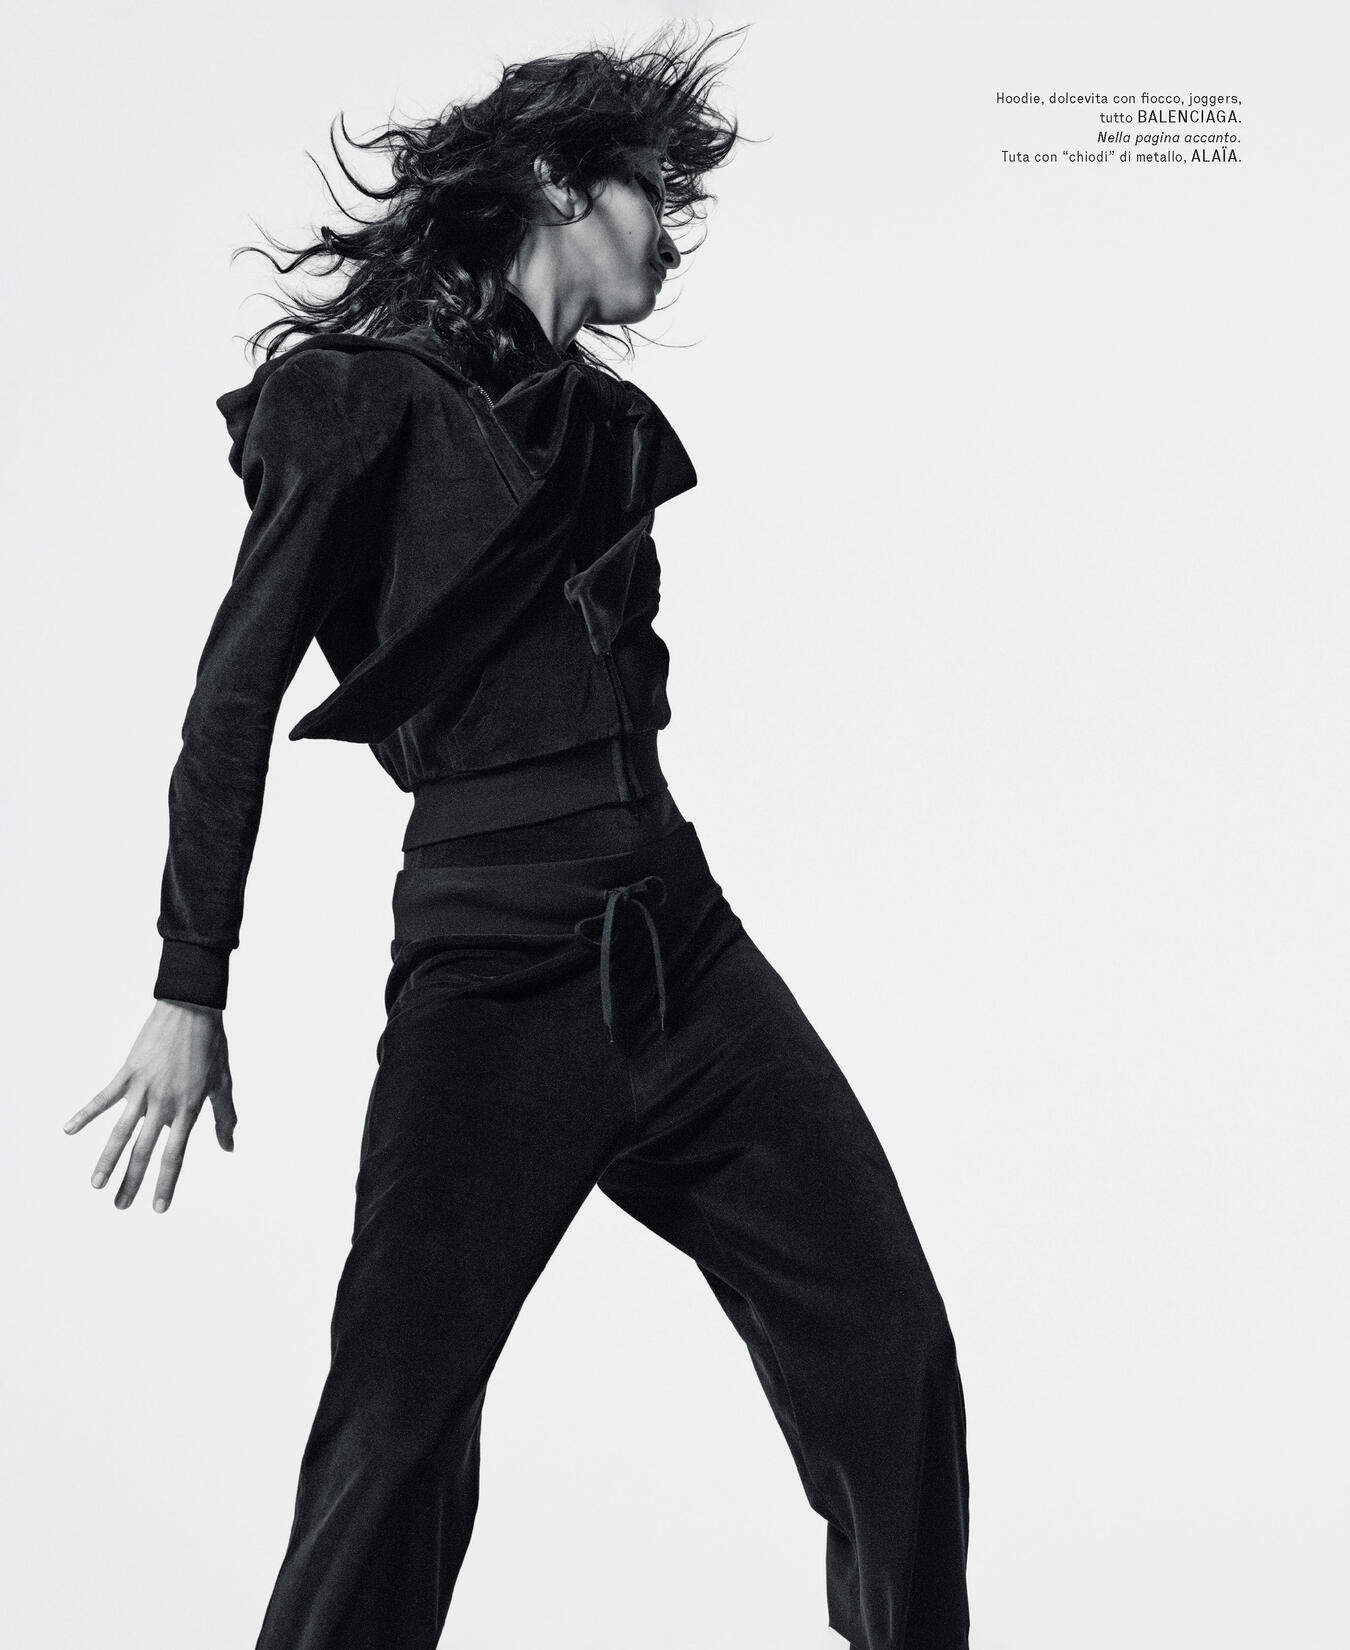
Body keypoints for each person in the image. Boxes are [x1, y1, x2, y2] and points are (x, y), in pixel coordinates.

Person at [64, 25, 971, 1650]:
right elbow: (230, 699)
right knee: (396, 1431)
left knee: (889, 1352)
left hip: (682, 951)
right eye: (650, 191)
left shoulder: (600, 428)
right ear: (557, 181)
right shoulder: (357, 403)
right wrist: (188, 981)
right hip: (495, 977)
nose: (670, 233)